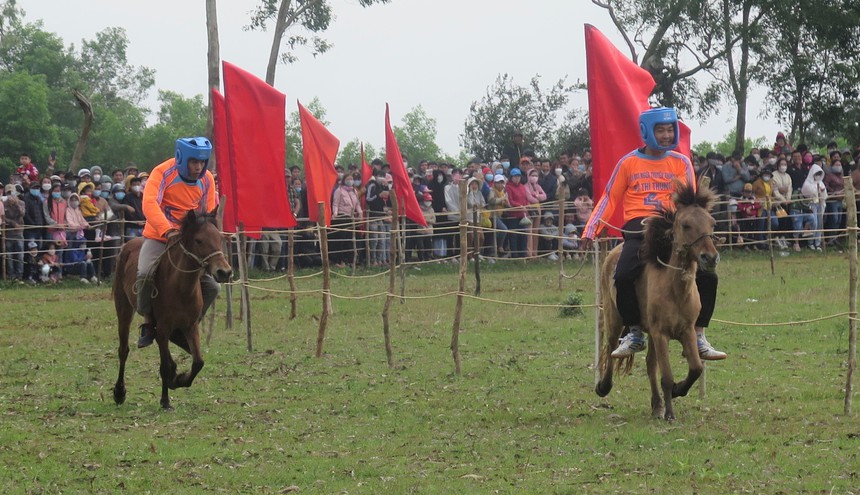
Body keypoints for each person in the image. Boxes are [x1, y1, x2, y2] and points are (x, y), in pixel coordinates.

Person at [581, 107, 726, 360]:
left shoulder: (681, 162)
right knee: (624, 274)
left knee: (709, 277)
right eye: (661, 130)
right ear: (647, 131)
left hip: (674, 226)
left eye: (671, 130)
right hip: (639, 226)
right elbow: (609, 198)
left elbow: (691, 203)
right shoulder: (628, 163)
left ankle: (699, 334)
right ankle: (634, 331)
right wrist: (590, 229)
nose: (667, 135)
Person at [136, 137, 219, 348]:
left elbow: (207, 214)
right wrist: (167, 230)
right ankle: (147, 321)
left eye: (202, 162)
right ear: (182, 158)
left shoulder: (207, 179)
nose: (198, 167)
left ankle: (190, 325)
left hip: (190, 243)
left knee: (213, 287)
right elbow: (149, 203)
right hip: (160, 236)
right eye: (194, 162)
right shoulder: (162, 172)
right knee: (145, 273)